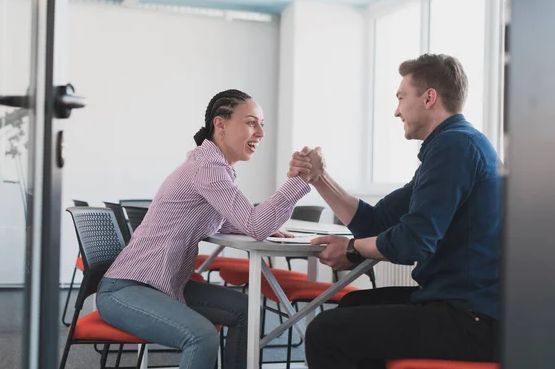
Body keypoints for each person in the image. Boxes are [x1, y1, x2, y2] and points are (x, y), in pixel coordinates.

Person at [289, 54, 501, 368]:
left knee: (325, 332)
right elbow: (375, 222)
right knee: (351, 304)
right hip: (458, 304)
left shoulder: (455, 147)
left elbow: (413, 240)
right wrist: (318, 178)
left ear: (429, 98)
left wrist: (352, 249)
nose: (396, 110)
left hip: (474, 318)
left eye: (401, 97)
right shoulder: (452, 146)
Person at [97, 89, 323, 369]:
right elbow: (256, 225)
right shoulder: (208, 168)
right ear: (221, 124)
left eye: (262, 124)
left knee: (245, 310)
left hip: (164, 285)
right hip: (126, 290)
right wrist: (298, 180)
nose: (261, 133)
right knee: (202, 337)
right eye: (252, 122)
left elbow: (239, 222)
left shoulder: (213, 166)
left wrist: (258, 223)